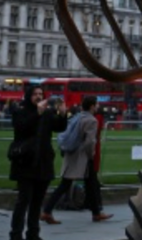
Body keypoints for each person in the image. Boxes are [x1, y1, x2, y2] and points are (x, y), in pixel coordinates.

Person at [7, 85, 67, 240]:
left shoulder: (47, 113)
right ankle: (15, 235)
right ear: (28, 96)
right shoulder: (20, 111)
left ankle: (33, 234)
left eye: (41, 94)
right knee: (23, 200)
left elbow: (60, 127)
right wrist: (37, 113)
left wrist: (62, 114)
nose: (39, 97)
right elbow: (21, 128)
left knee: (37, 201)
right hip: (25, 161)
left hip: (43, 162)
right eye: (35, 94)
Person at [40, 95, 112, 223]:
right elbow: (90, 142)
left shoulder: (77, 117)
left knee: (89, 183)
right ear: (92, 106)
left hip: (71, 153)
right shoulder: (91, 120)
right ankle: (47, 211)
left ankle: (96, 213)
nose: (98, 107)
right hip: (82, 157)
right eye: (96, 104)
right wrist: (91, 155)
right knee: (67, 184)